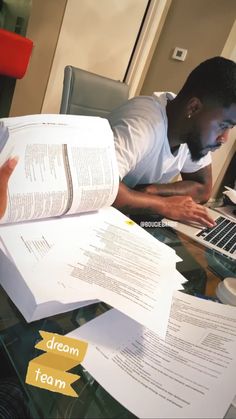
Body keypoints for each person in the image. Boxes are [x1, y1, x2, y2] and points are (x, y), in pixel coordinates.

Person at [109, 56, 236, 227]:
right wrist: (164, 204)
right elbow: (103, 186)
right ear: (194, 108)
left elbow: (203, 189)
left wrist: (151, 191)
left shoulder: (190, 131)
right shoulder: (143, 123)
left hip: (124, 219)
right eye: (222, 125)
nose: (224, 138)